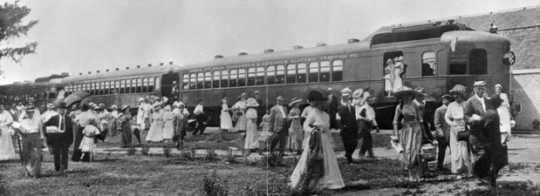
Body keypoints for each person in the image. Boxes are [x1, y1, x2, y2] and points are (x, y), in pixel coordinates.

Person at [289, 90, 345, 190]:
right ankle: (306, 182)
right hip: (315, 140)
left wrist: (331, 140)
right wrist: (314, 130)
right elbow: (305, 126)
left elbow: (327, 130)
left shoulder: (326, 115)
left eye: (325, 103)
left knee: (327, 159)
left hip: (325, 141)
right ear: (317, 103)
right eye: (322, 103)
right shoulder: (313, 113)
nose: (324, 105)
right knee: (312, 159)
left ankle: (328, 183)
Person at [392, 86, 424, 181]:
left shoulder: (415, 105)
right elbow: (395, 121)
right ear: (401, 96)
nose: (406, 96)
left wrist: (425, 134)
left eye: (408, 94)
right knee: (408, 151)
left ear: (411, 95)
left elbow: (420, 119)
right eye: (403, 95)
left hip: (416, 129)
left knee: (417, 151)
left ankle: (418, 172)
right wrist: (396, 135)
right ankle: (411, 174)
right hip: (406, 129)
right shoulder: (400, 106)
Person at [464, 81, 491, 185]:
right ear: (474, 90)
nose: (481, 91)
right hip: (476, 133)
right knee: (479, 154)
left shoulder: (487, 101)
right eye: (479, 88)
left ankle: (485, 176)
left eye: (482, 88)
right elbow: (466, 118)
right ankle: (477, 176)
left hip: (487, 133)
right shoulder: (470, 101)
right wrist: (474, 119)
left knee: (487, 154)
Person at [445, 85, 473, 179]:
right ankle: (458, 172)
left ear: (462, 95)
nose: (455, 97)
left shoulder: (466, 104)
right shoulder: (451, 105)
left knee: (464, 150)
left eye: (457, 95)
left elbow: (470, 115)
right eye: (454, 95)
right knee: (455, 150)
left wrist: (466, 122)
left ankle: (467, 171)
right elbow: (447, 117)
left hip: (463, 128)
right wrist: (451, 123)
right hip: (454, 130)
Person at [479, 94, 505, 187]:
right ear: (496, 103)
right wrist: (490, 140)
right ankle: (490, 180)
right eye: (498, 103)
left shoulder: (490, 111)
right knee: (498, 161)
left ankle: (489, 179)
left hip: (491, 141)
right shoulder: (492, 113)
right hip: (493, 141)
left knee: (492, 160)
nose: (499, 104)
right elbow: (486, 127)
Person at [13, 105, 44, 177]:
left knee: (36, 155)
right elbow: (19, 130)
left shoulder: (38, 120)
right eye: (28, 112)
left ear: (33, 113)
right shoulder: (23, 121)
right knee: (26, 154)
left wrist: (41, 138)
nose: (30, 114)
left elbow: (41, 131)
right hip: (26, 138)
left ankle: (36, 172)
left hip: (35, 137)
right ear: (26, 113)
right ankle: (27, 171)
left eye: (31, 112)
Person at [43, 101, 73, 173]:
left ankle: (64, 167)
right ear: (58, 109)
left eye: (64, 109)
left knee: (65, 153)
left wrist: (71, 140)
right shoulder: (54, 118)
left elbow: (71, 130)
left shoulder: (68, 118)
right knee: (57, 153)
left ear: (66, 110)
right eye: (60, 109)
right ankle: (57, 168)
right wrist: (48, 134)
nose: (62, 110)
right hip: (56, 138)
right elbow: (45, 125)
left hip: (65, 138)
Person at [337, 87, 357, 164]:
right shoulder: (340, 107)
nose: (346, 99)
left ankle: (348, 154)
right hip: (345, 129)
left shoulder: (352, 107)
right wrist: (342, 126)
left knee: (354, 143)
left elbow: (354, 118)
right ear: (342, 99)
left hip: (353, 128)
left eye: (347, 97)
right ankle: (350, 160)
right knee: (347, 145)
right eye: (344, 98)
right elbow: (339, 118)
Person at [434, 94, 452, 171]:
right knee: (441, 150)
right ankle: (440, 165)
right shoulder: (439, 110)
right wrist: (441, 133)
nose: (446, 101)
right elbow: (437, 123)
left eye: (448, 99)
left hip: (452, 133)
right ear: (442, 101)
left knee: (454, 150)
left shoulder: (452, 109)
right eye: (445, 99)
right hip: (443, 134)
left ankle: (454, 165)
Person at [357, 90, 377, 158]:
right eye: (371, 100)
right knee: (367, 139)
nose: (372, 101)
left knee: (368, 139)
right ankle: (362, 154)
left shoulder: (370, 108)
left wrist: (376, 126)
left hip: (368, 125)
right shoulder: (364, 108)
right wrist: (364, 119)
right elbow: (358, 116)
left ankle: (369, 153)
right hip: (364, 125)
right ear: (367, 101)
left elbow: (372, 118)